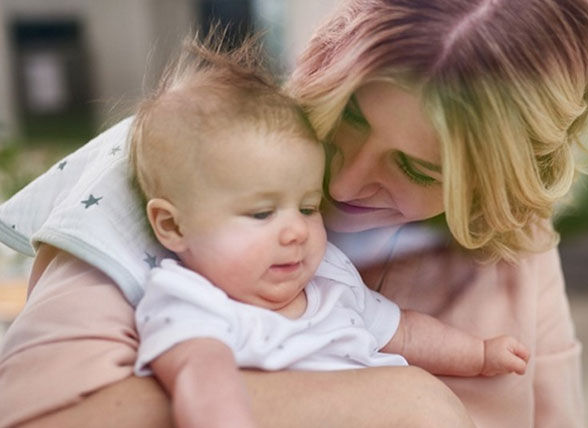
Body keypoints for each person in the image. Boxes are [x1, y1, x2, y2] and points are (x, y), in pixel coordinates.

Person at [0, 0, 588, 427]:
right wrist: (405, 404)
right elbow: (42, 417)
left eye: (418, 170)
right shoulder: (178, 167)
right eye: (349, 115)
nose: (345, 179)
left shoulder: (512, 235)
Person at [128, 38, 529, 428]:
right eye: (262, 213)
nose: (296, 232)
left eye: (308, 207)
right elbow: (203, 383)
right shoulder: (192, 301)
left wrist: (478, 354)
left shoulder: (330, 278)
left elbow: (404, 331)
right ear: (173, 225)